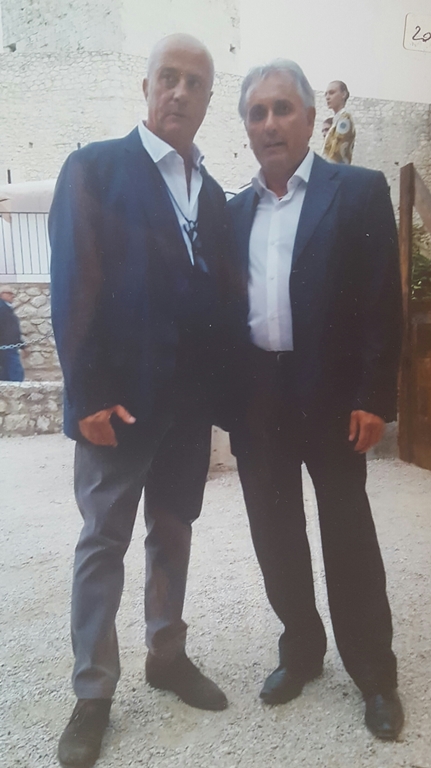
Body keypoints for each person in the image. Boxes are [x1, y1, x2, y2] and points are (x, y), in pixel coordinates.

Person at [50, 34, 240, 768]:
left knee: (173, 530)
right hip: (119, 409)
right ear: (146, 86)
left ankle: (167, 655)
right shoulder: (96, 168)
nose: (180, 92)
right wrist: (86, 397)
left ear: (208, 100)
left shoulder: (212, 193)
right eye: (169, 77)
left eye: (195, 83)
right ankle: (93, 692)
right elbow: (74, 284)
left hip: (186, 412)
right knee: (103, 540)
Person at [228, 60, 404, 740]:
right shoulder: (232, 211)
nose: (269, 123)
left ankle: (374, 673)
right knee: (274, 535)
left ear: (309, 118)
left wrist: (374, 396)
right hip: (258, 401)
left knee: (347, 535)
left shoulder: (356, 190)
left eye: (282, 109)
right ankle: (300, 648)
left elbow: (381, 302)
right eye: (257, 113)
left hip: (332, 400)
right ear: (246, 127)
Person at [323, 80, 355, 164]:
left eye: (331, 93)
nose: (327, 97)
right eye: (326, 94)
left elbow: (336, 154)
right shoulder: (337, 119)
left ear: (343, 94)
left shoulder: (345, 118)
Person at [0, 285, 24, 381]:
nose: (12, 296)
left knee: (5, 375)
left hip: (7, 346)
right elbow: (11, 331)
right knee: (16, 375)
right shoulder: (3, 309)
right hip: (7, 347)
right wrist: (22, 345)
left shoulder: (6, 308)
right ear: (2, 294)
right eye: (9, 293)